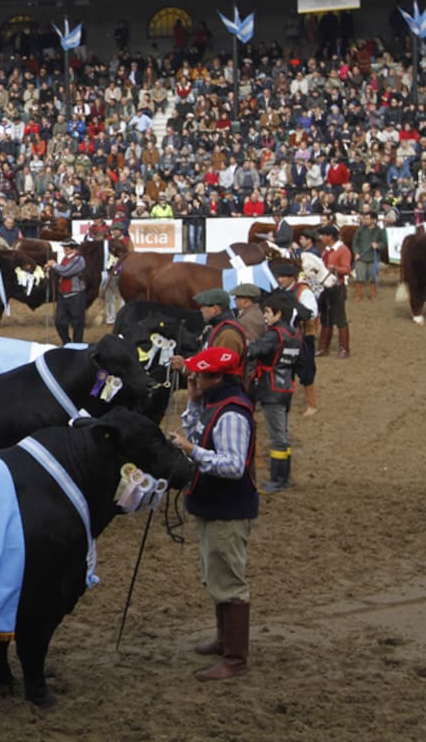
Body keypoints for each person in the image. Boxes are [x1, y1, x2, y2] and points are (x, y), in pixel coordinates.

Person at [170, 347, 257, 681]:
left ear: (218, 376)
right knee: (216, 574)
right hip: (215, 506)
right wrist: (193, 402)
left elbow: (234, 465)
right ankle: (225, 641)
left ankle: (235, 659)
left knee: (229, 581)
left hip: (227, 509)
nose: (193, 377)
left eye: (199, 374)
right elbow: (196, 433)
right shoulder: (213, 403)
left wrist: (193, 451)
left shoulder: (231, 413)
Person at [246, 293, 302, 494]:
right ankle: (283, 477)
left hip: (270, 390)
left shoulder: (273, 334)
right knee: (282, 434)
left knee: (277, 437)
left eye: (268, 312)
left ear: (279, 314)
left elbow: (254, 351)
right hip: (286, 386)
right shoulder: (295, 334)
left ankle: (278, 479)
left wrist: (245, 345)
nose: (265, 316)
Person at [271, 260, 320, 416]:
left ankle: (311, 404)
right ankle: (285, 401)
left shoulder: (303, 291)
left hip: (303, 337)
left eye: (283, 277)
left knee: (306, 370)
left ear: (292, 277)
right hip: (284, 337)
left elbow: (311, 312)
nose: (280, 280)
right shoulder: (278, 291)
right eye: (279, 276)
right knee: (285, 369)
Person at [170, 289, 247, 372]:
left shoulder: (228, 334)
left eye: (204, 306)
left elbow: (221, 369)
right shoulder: (216, 328)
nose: (201, 310)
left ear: (215, 309)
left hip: (223, 385)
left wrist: (185, 369)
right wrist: (187, 363)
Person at [316, 226, 352, 358]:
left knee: (339, 317)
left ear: (330, 236)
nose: (321, 238)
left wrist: (335, 268)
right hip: (326, 287)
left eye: (323, 235)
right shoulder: (326, 251)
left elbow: (347, 269)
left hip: (337, 287)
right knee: (325, 318)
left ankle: (344, 348)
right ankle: (323, 347)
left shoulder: (342, 250)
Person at [46, 238, 86, 344]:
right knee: (59, 322)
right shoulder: (65, 259)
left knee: (77, 323)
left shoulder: (79, 259)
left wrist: (54, 265)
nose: (65, 250)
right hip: (63, 295)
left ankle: (77, 344)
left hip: (76, 295)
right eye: (64, 248)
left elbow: (66, 271)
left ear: (73, 248)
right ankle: (66, 342)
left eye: (67, 248)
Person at [350, 211, 387, 302]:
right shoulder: (360, 230)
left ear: (373, 220)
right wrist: (356, 253)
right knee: (359, 276)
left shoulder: (380, 231)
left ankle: (372, 295)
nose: (365, 220)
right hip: (361, 257)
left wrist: (378, 245)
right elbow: (355, 243)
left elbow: (384, 242)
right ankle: (358, 295)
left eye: (367, 218)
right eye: (364, 218)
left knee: (373, 276)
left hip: (373, 258)